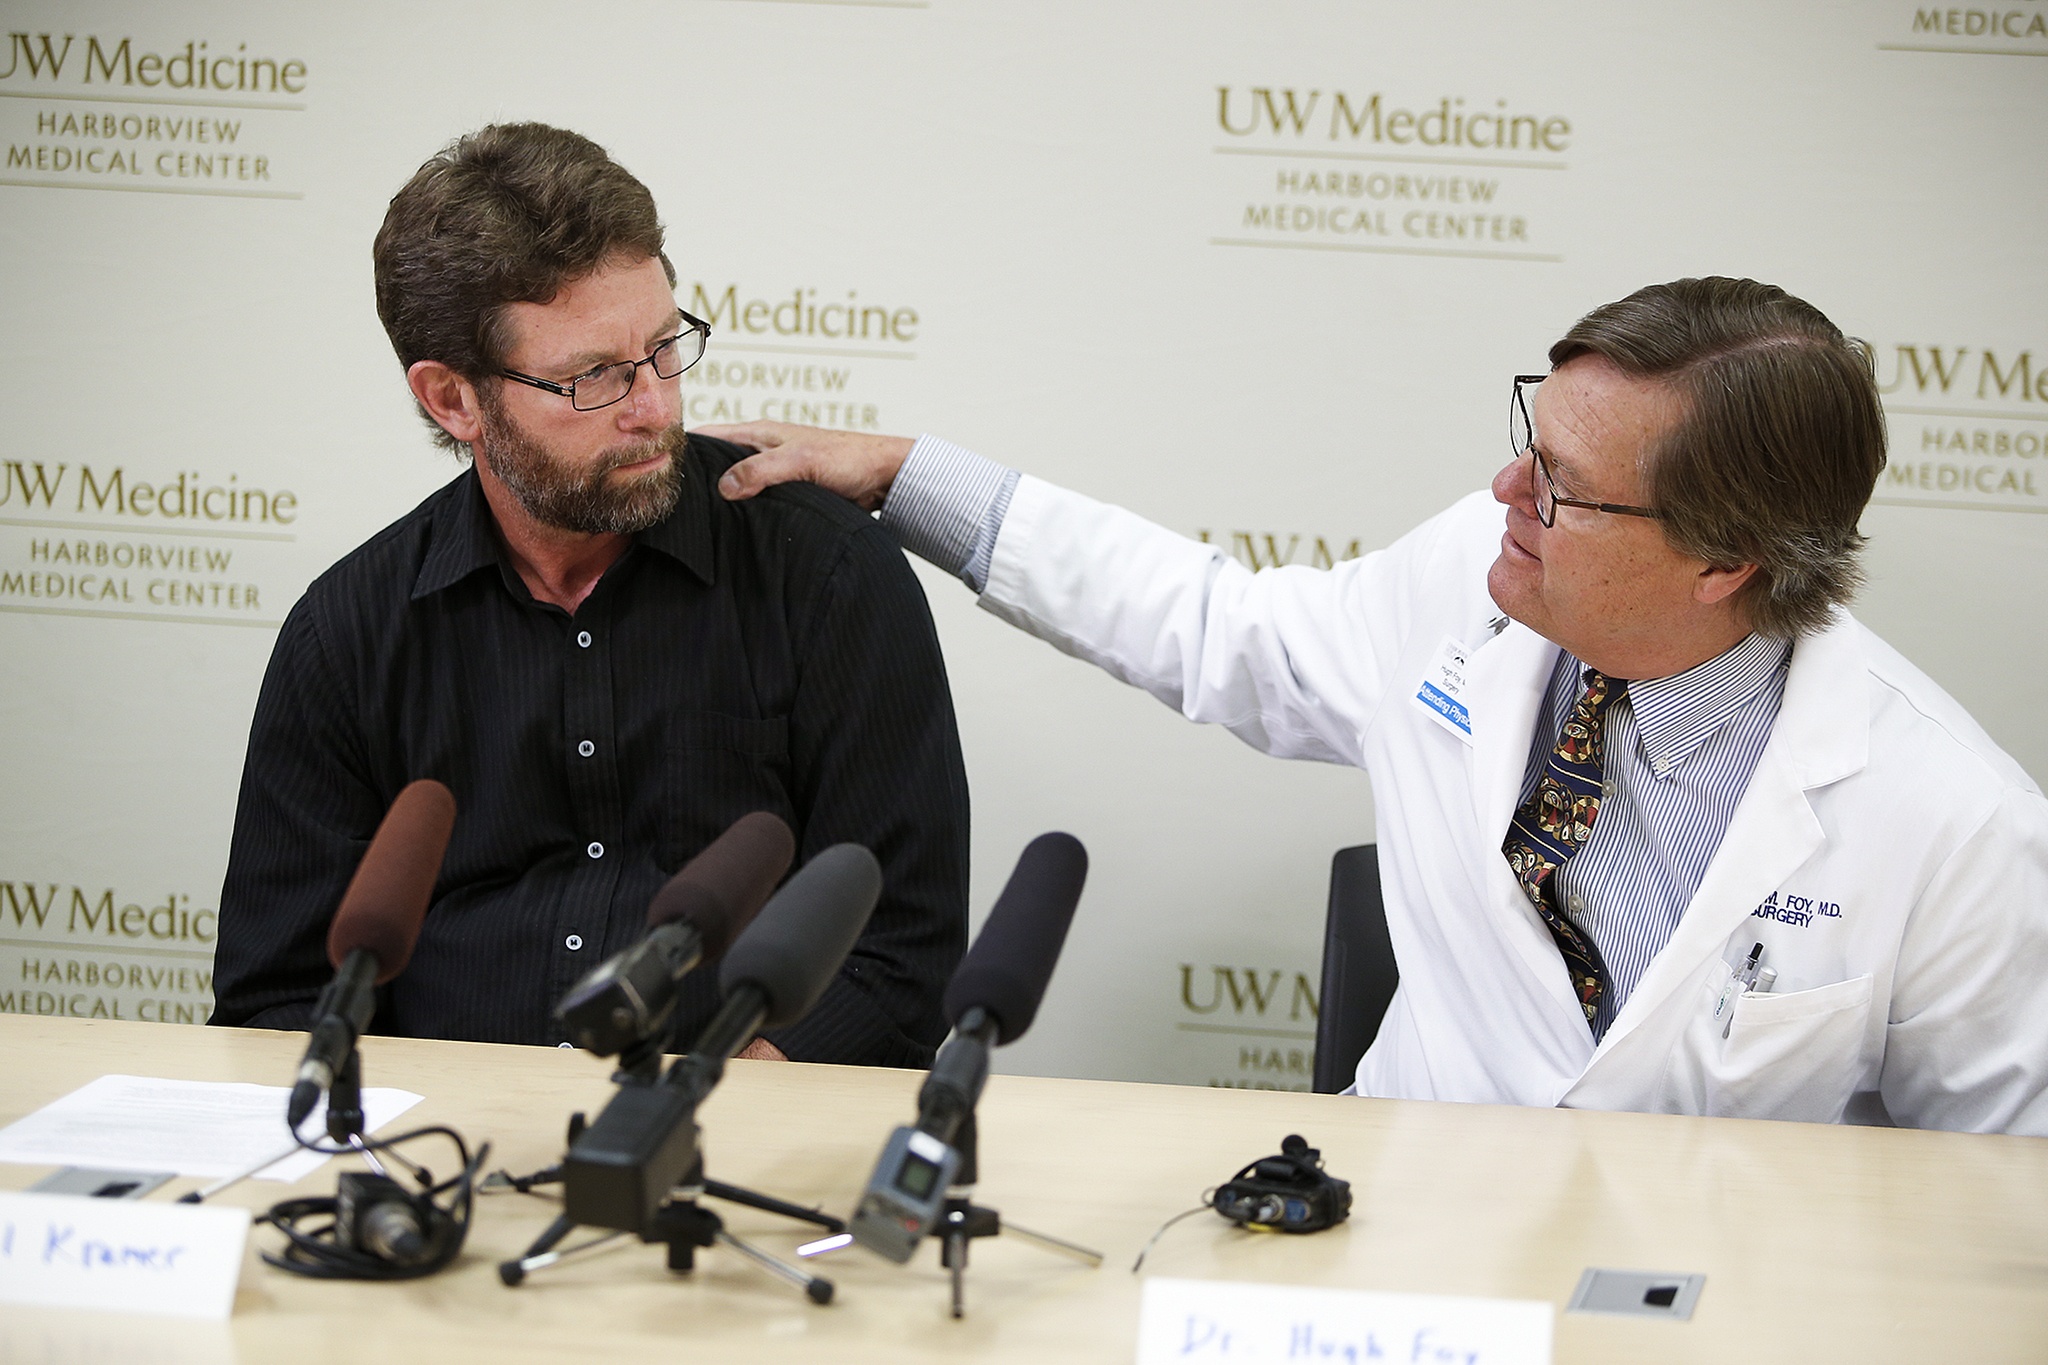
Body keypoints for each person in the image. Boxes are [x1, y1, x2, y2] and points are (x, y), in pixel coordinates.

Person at [701, 277, 2048, 1132]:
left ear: (1725, 561)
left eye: (1567, 489)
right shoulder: (1469, 579)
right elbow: (1218, 625)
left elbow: (2005, 1197)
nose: (1509, 494)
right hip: (1405, 1259)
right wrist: (905, 477)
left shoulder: (1952, 823)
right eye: (1534, 438)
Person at [210, 123, 969, 1067]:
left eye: (662, 348)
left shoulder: (828, 578)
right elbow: (276, 996)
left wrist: (700, 1112)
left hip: (741, 1157)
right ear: (453, 399)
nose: (653, 405)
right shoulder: (349, 632)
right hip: (436, 1163)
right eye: (594, 376)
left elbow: (902, 959)